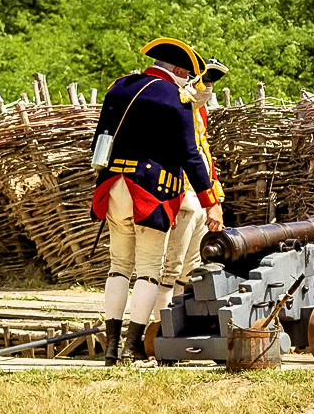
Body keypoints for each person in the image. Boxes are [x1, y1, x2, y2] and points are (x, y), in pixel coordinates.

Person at [90, 38, 224, 366]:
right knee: (149, 271)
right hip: (151, 193)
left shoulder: (119, 87)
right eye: (187, 74)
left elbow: (99, 141)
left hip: (113, 186)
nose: (188, 81)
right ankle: (132, 347)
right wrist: (211, 201)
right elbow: (190, 155)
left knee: (118, 268)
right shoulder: (175, 98)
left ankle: (111, 349)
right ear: (177, 69)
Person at [154, 58, 230, 322]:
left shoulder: (199, 112)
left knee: (191, 269)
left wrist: (214, 199)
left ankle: (176, 324)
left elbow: (204, 155)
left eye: (210, 83)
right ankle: (158, 327)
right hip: (178, 194)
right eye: (203, 81)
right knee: (170, 268)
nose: (207, 87)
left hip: (198, 196)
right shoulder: (173, 107)